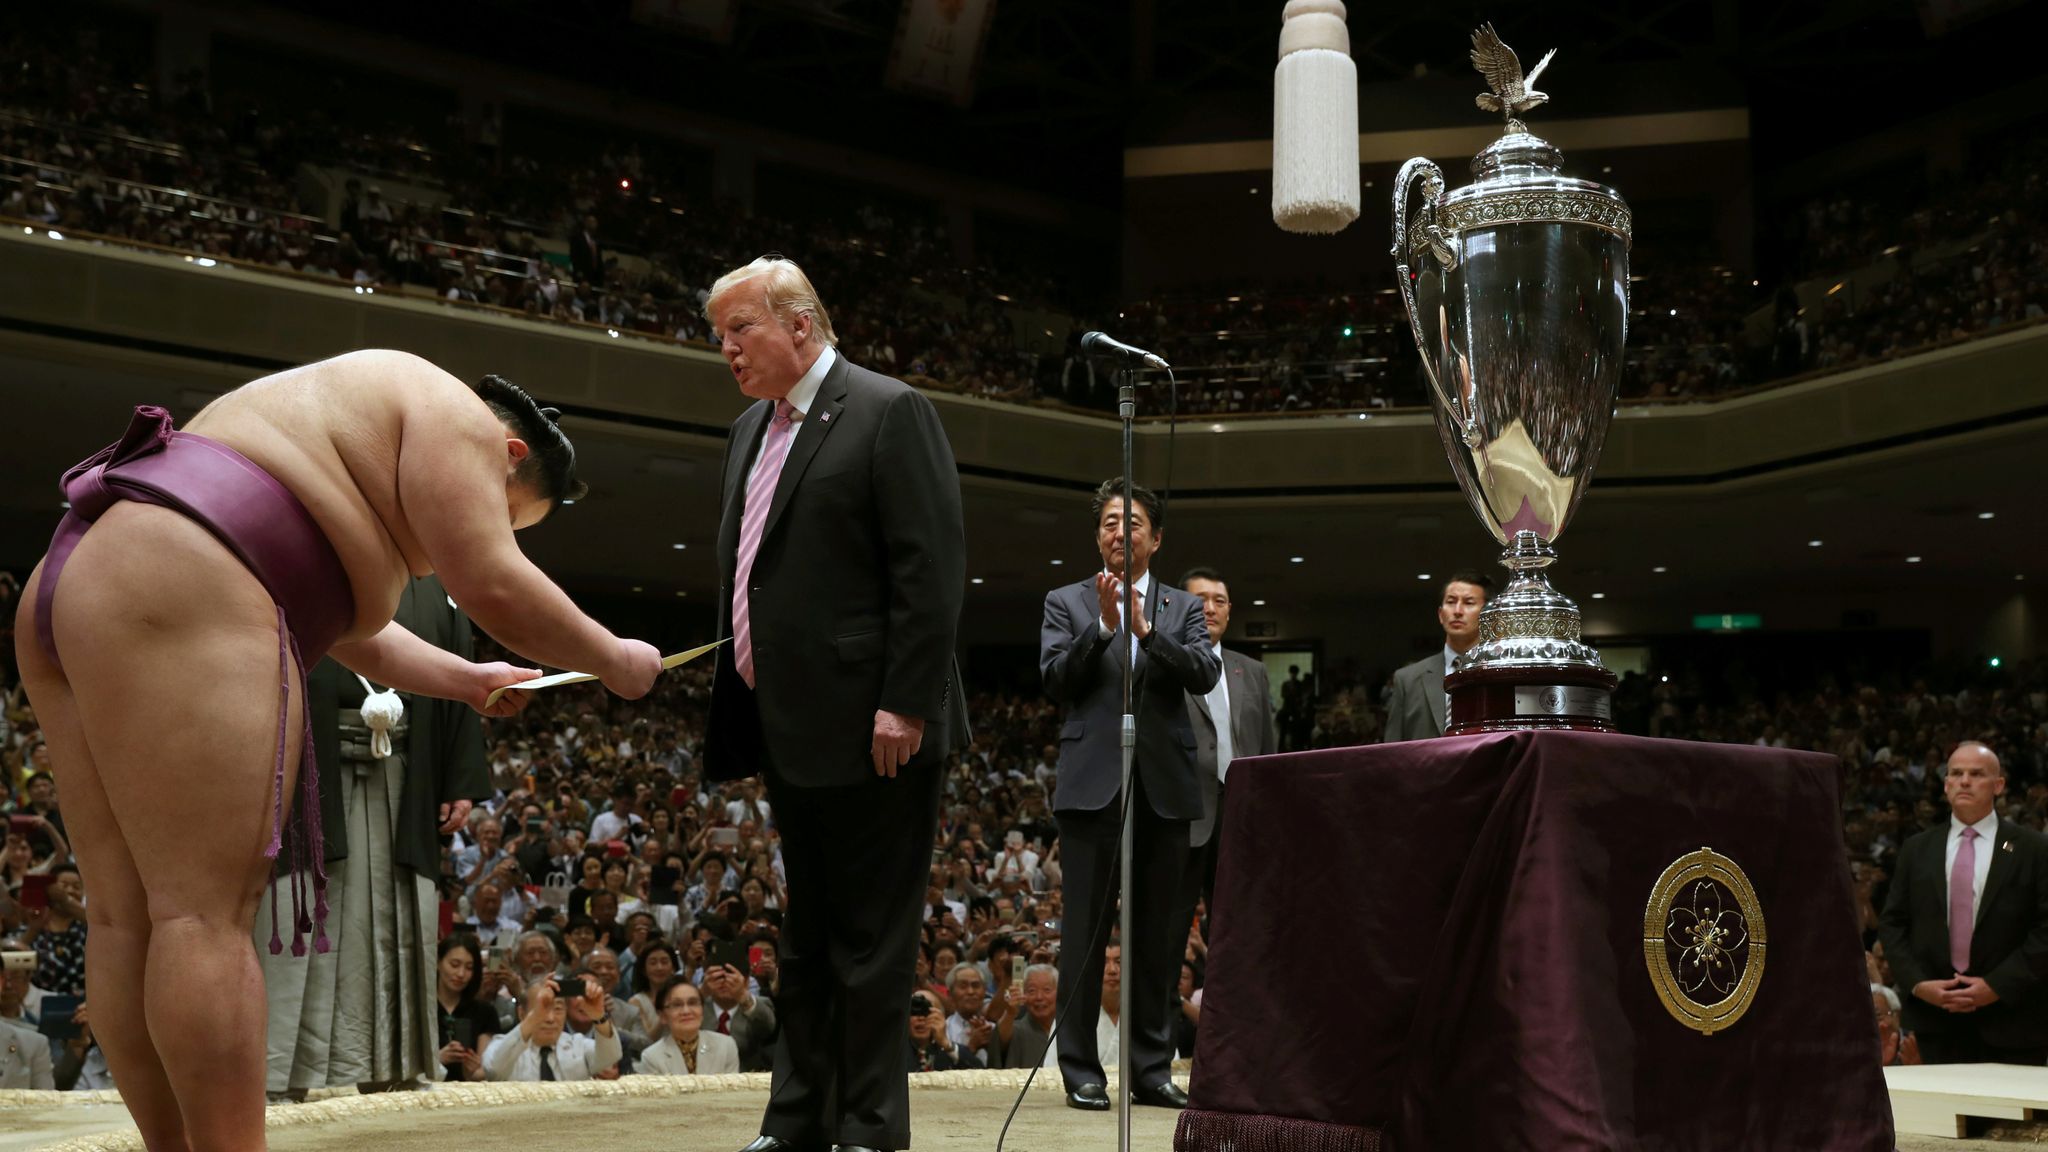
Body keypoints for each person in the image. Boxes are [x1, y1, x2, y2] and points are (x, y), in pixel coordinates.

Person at [12, 351, 664, 1151]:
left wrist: (466, 679)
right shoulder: (458, 417)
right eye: (512, 514)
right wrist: (617, 659)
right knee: (200, 919)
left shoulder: (337, 432)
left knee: (128, 922)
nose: (473, 534)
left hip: (82, 574)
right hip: (178, 572)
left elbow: (363, 636)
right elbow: (493, 580)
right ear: (511, 456)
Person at [700, 257, 967, 1152]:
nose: (726, 347)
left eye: (739, 329)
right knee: (806, 939)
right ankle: (797, 1121)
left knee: (872, 946)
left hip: (876, 727)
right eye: (719, 334)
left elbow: (928, 572)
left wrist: (906, 703)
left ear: (800, 325)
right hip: (788, 723)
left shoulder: (889, 410)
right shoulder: (748, 430)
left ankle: (868, 1128)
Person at [257, 573, 492, 1096]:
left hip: (404, 776)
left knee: (397, 920)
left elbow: (459, 680)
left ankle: (394, 1067)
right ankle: (280, 1076)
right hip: (304, 771)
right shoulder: (290, 561)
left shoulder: (436, 587)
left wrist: (457, 780)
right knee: (298, 910)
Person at [1039, 479, 1218, 1112]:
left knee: (1160, 939)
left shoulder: (1181, 607)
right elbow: (1055, 680)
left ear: (1156, 537)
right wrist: (1103, 629)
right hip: (1092, 788)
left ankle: (1150, 1068)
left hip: (1164, 787)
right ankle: (1082, 1070)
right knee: (1085, 935)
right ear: (1098, 536)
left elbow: (1203, 672)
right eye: (1111, 523)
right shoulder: (1067, 601)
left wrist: (1146, 632)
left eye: (1134, 523)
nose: (1122, 532)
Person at [1879, 741, 2048, 1064]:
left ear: (1998, 785)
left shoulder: (2034, 848)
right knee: (1933, 1116)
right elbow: (1892, 923)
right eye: (1956, 773)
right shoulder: (1917, 848)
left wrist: (1997, 985)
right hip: (1933, 1020)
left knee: (2007, 1116)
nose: (1964, 781)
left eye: (1976, 774)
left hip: (2014, 1018)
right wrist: (1918, 983)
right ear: (1945, 785)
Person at [1177, 567, 1275, 916]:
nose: (1210, 609)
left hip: (1240, 813)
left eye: (1219, 601)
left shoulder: (1251, 670)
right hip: (1184, 815)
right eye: (1200, 600)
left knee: (1238, 921)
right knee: (1173, 925)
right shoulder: (1164, 663)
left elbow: (1266, 750)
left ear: (1229, 610)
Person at [1382, 572, 1491, 741]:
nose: (1457, 611)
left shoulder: (1500, 672)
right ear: (1441, 614)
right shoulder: (1407, 679)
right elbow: (1392, 747)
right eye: (1451, 602)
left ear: (1487, 614)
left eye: (1468, 602)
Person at [481, 975, 620, 1082]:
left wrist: (599, 1017)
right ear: (521, 1013)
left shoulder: (578, 1045)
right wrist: (535, 1017)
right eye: (541, 1008)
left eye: (558, 1009)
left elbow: (610, 1057)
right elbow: (493, 1069)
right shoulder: (500, 1044)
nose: (550, 1018)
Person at [637, 975, 742, 1075]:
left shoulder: (726, 1045)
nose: (686, 1011)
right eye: (677, 1005)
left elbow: (732, 1092)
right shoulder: (651, 1057)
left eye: (692, 1003)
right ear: (662, 1016)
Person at [433, 935, 499, 1084]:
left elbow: (484, 1070)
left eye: (469, 968)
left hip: (469, 1095)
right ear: (438, 962)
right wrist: (438, 1059)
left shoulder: (485, 1012)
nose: (461, 974)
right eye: (454, 965)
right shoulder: (421, 1010)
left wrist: (473, 1070)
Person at [997, 964, 1059, 1069]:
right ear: (1023, 994)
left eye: (1047, 990)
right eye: (1032, 991)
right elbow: (1000, 1038)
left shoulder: (1069, 1031)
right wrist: (1010, 1012)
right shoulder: (1017, 1030)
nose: (1039, 997)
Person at [906, 992, 960, 1072]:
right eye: (914, 1012)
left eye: (926, 1012)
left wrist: (946, 1044)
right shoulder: (894, 1053)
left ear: (942, 1018)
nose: (921, 1018)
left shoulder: (948, 1052)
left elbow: (977, 1071)